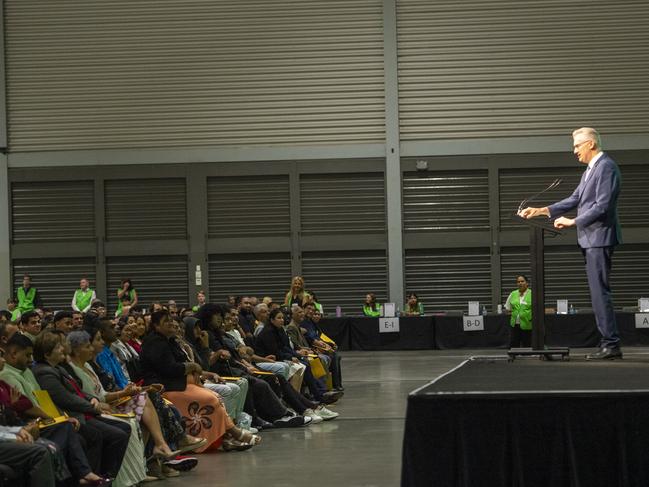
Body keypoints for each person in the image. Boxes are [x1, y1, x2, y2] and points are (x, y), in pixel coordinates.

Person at [520, 127, 622, 360]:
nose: (574, 151)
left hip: (599, 238)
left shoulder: (606, 167)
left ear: (591, 144)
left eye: (577, 146)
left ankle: (611, 344)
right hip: (590, 239)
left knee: (600, 294)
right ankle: (608, 342)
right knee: (597, 294)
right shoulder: (590, 170)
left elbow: (602, 206)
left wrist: (574, 221)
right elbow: (575, 198)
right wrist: (542, 210)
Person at [504, 275, 532, 348]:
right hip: (515, 325)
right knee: (514, 346)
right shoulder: (513, 294)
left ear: (527, 283)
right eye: (518, 282)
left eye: (522, 281)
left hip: (527, 325)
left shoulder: (532, 294)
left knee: (527, 346)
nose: (520, 283)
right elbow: (508, 309)